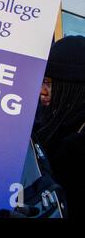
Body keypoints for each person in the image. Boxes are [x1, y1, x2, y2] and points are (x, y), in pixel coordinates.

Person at [32, 35, 85, 218]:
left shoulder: (77, 147)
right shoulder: (46, 123)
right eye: (41, 80)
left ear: (73, 87)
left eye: (49, 83)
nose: (41, 90)